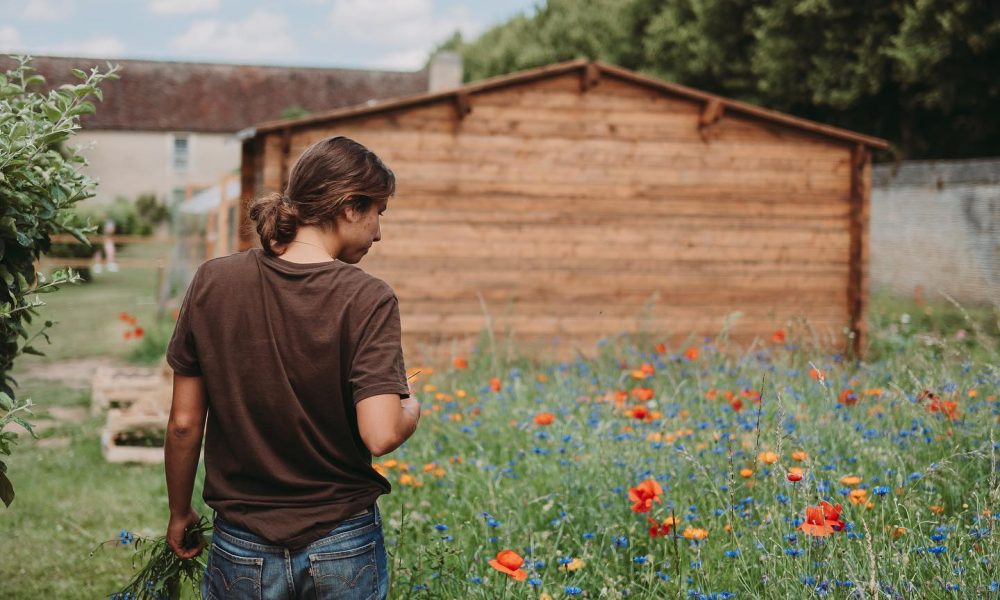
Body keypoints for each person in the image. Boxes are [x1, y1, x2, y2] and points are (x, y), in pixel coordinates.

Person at [162, 136, 421, 600]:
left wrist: (180, 512)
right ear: (349, 207)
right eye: (378, 212)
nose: (379, 231)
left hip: (240, 541)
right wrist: (411, 409)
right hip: (342, 542)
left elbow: (183, 425)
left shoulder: (213, 281)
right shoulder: (368, 297)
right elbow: (380, 435)